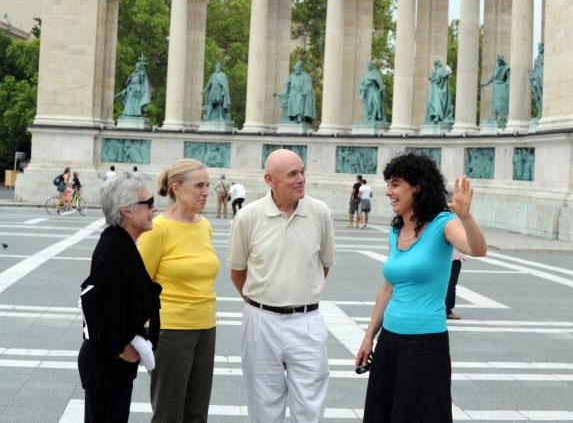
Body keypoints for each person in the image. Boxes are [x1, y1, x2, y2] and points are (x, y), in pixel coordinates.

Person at [355, 153, 487, 423]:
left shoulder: (443, 224)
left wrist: (466, 217)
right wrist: (370, 336)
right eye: (388, 184)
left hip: (425, 345)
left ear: (416, 186)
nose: (388, 192)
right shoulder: (395, 231)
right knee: (385, 413)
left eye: (395, 184)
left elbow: (477, 249)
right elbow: (387, 289)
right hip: (390, 341)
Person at [227, 149, 335, 423]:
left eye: (302, 172)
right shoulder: (248, 216)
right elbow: (237, 271)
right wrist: (262, 299)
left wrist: (298, 291)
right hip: (261, 320)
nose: (301, 179)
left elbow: (324, 264)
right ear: (269, 179)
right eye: (292, 174)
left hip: (307, 320)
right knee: (263, 406)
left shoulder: (320, 213)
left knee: (310, 408)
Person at [137, 159, 220, 423]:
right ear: (177, 188)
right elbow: (137, 284)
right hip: (169, 331)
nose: (206, 191)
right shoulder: (157, 229)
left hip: (205, 327)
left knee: (197, 413)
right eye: (198, 185)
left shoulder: (204, 225)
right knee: (169, 413)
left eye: (207, 185)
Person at [77, 172, 161, 423]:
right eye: (148, 203)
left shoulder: (120, 242)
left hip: (106, 363)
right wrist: (121, 349)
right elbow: (90, 299)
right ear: (127, 211)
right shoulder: (116, 248)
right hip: (107, 363)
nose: (154, 208)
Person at [481, 54, 510, 123]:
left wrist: (507, 83)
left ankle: (503, 117)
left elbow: (509, 77)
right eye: (497, 60)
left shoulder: (506, 68)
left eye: (499, 60)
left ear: (502, 60)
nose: (498, 61)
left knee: (501, 101)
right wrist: (485, 83)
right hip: (496, 87)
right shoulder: (496, 69)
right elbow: (492, 78)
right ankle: (494, 116)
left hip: (502, 86)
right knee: (495, 102)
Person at [425, 60, 454, 125]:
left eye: (435, 64)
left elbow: (437, 80)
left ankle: (437, 117)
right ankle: (435, 117)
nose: (435, 66)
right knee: (435, 103)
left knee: (436, 103)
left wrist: (432, 77)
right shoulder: (442, 71)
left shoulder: (438, 71)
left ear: (437, 64)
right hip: (438, 91)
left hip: (437, 91)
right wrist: (432, 77)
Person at [446, 248, 467, 320]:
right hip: (453, 258)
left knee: (448, 283)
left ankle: (446, 309)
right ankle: (447, 311)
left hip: (447, 257)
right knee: (450, 284)